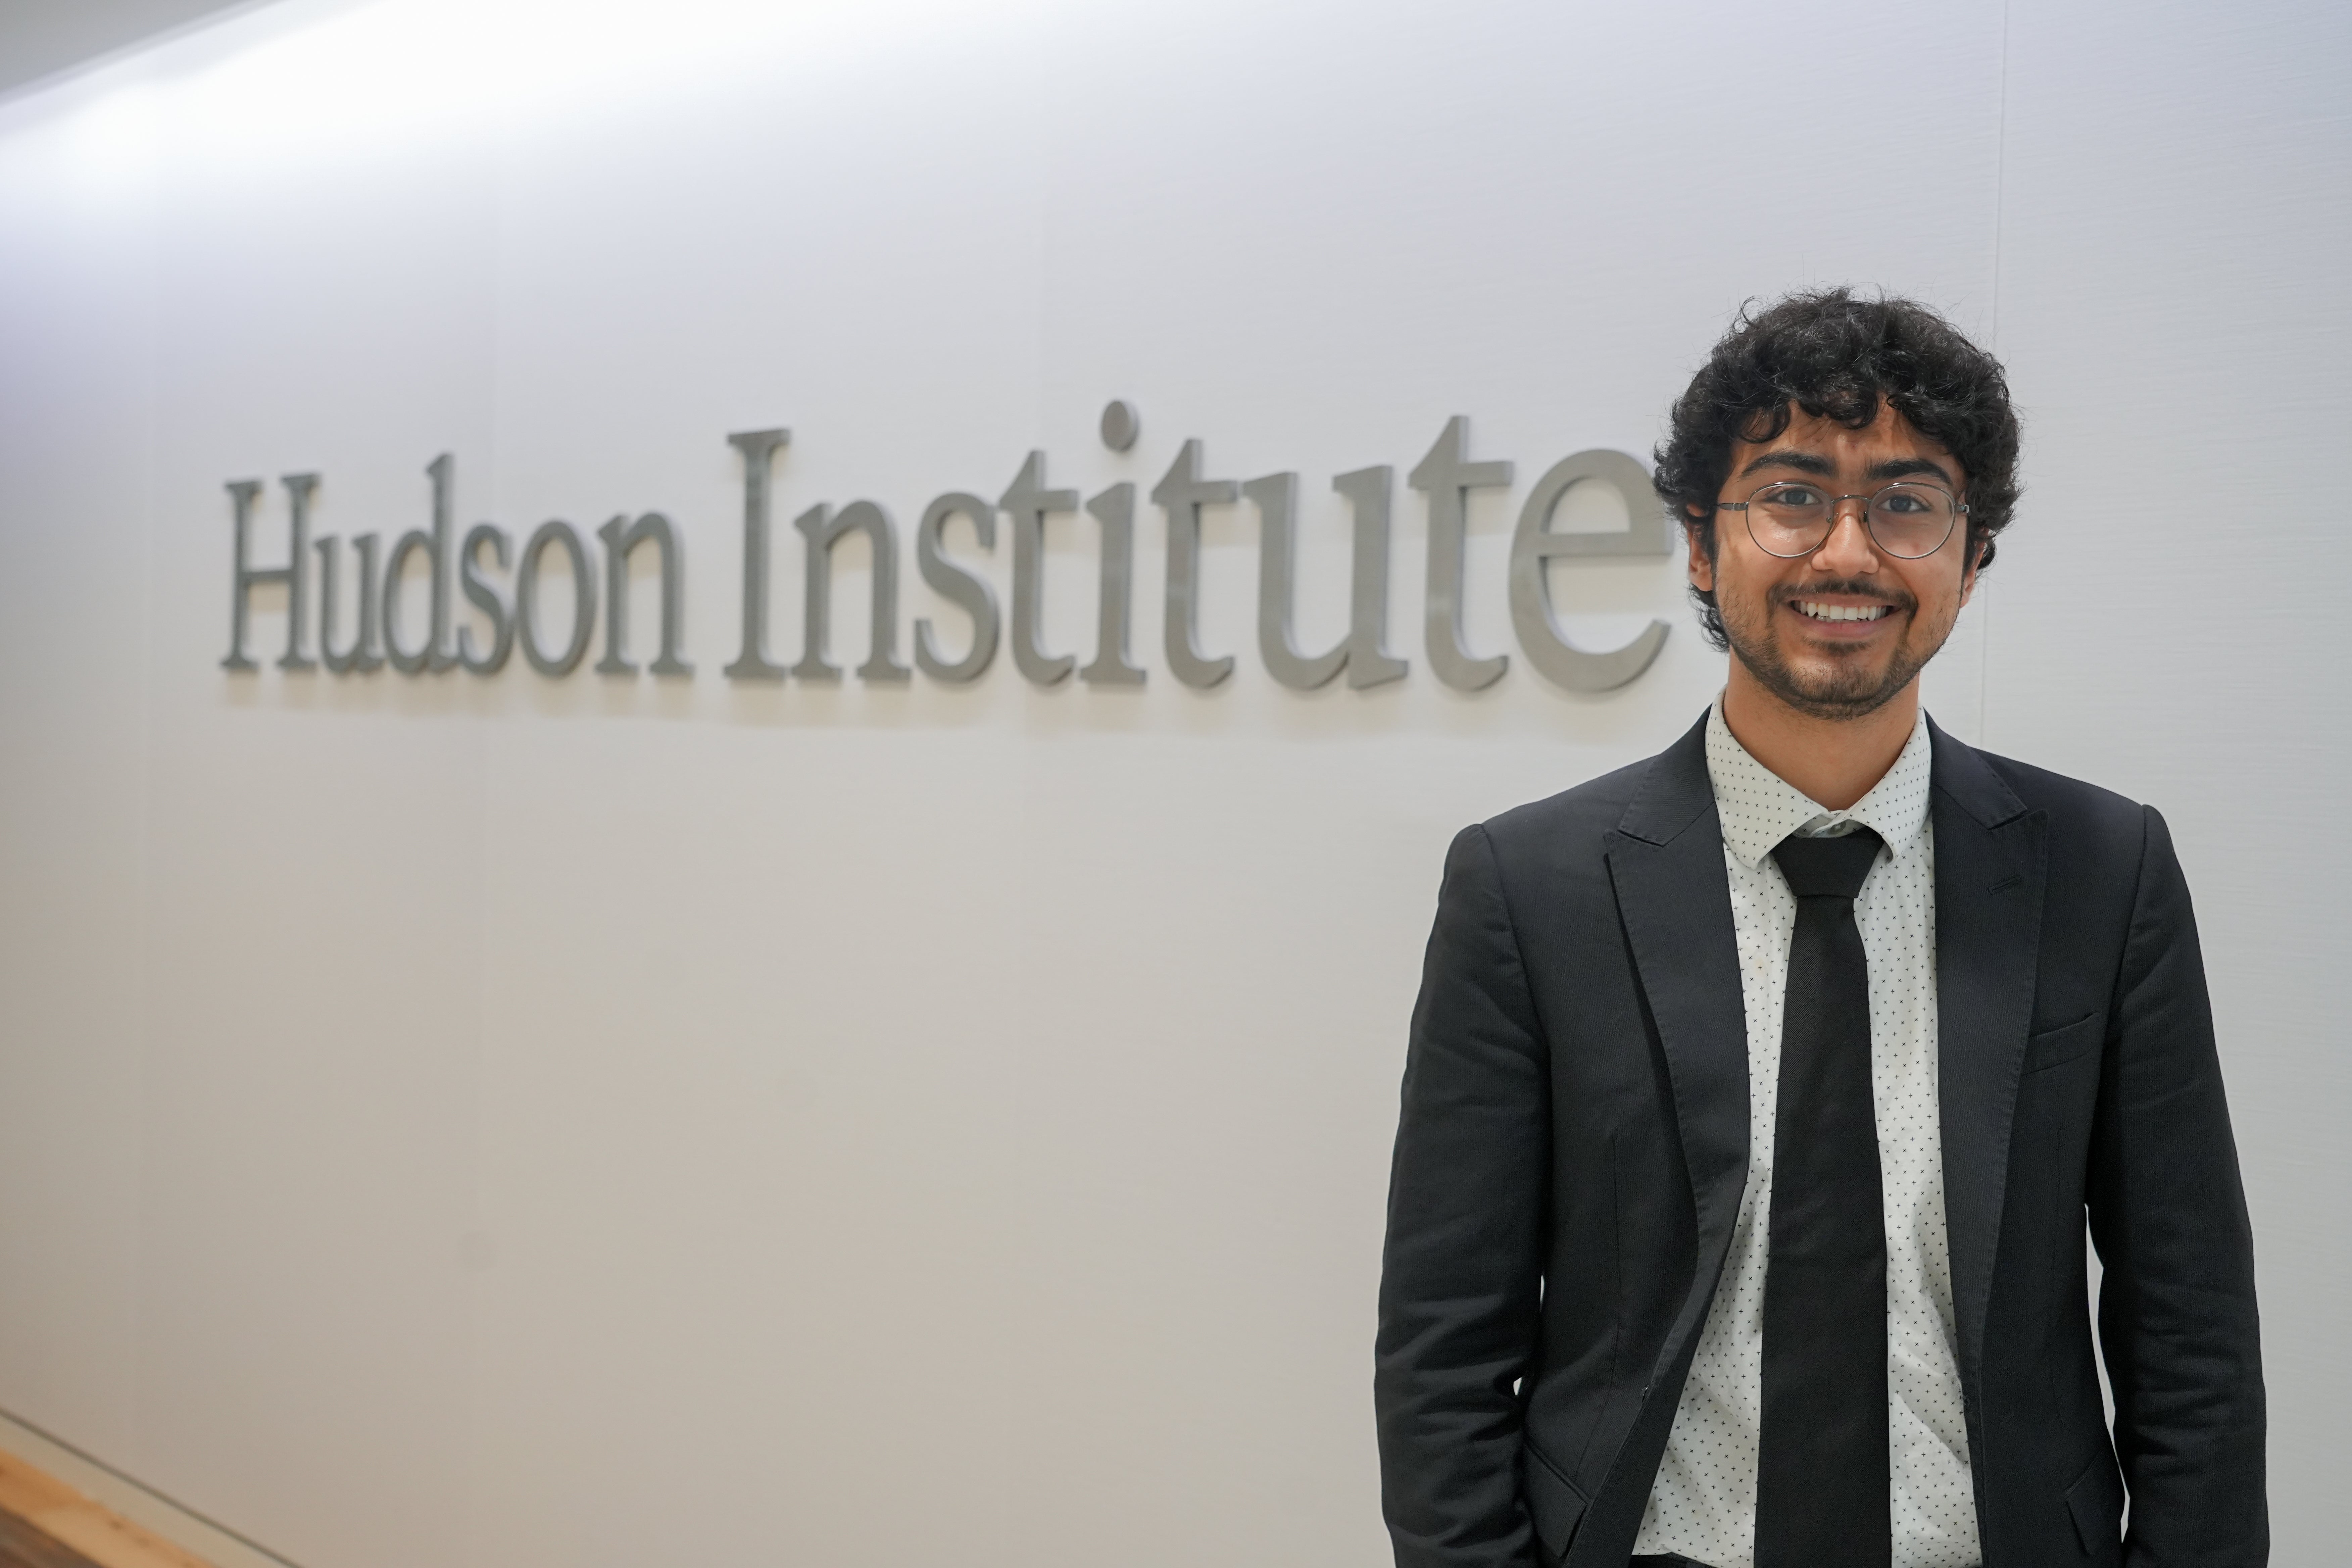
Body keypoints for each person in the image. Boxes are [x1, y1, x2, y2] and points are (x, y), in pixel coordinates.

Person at [1373, 290, 2264, 1568]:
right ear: (1700, 543)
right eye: (1791, 495)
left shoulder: (2104, 872)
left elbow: (2193, 1334)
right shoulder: (1529, 887)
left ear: (1972, 556)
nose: (1846, 553)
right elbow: (1445, 1347)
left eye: (1907, 503)